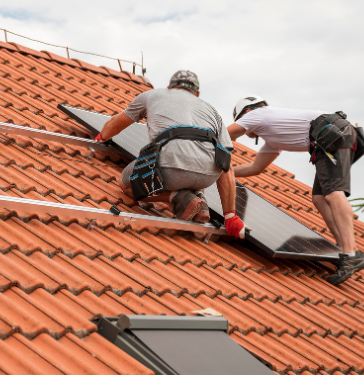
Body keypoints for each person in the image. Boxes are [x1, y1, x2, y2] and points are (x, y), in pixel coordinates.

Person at [227, 95, 364, 284]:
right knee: (319, 197)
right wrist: (226, 174)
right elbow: (254, 168)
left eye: (240, 120)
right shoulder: (273, 138)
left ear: (246, 112)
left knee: (333, 194)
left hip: (331, 134)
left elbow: (226, 135)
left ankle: (351, 253)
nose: (244, 125)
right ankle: (343, 247)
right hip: (333, 136)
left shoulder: (256, 114)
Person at [95, 70, 245, 239]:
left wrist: (102, 136)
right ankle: (200, 199)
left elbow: (116, 123)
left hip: (170, 168)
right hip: (207, 176)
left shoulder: (151, 96)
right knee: (200, 156)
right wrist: (230, 215)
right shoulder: (212, 112)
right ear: (197, 94)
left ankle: (181, 197)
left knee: (126, 183)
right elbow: (226, 163)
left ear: (169, 87)